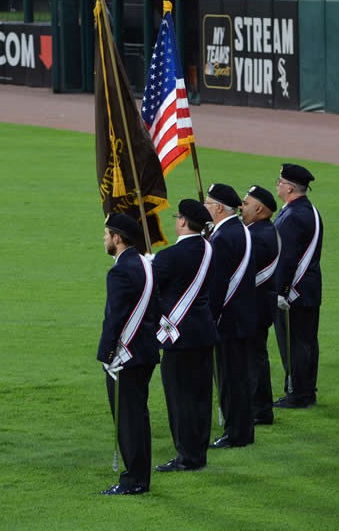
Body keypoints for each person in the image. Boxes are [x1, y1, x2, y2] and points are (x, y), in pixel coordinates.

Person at [97, 214, 160, 496]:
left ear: (118, 238)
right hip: (145, 352)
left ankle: (133, 480)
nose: (104, 239)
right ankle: (139, 477)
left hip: (127, 357)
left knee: (128, 420)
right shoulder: (146, 264)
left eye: (107, 234)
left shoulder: (121, 271)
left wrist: (106, 354)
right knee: (139, 416)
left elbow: (115, 318)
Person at [153, 200, 217, 473]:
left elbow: (150, 289)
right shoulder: (209, 250)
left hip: (178, 338)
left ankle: (186, 457)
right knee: (201, 397)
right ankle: (198, 453)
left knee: (180, 400)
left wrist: (147, 264)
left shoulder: (169, 257)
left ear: (182, 222)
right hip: (203, 333)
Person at [205, 184, 256, 450]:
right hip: (244, 316)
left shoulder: (223, 237)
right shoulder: (242, 231)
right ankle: (243, 429)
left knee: (229, 378)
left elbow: (218, 283)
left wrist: (210, 318)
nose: (205, 207)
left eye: (208, 203)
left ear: (218, 208)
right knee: (240, 377)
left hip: (228, 320)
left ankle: (235, 433)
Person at [272, 163, 324, 409]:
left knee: (294, 344)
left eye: (280, 182)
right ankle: (306, 389)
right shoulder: (309, 210)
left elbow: (286, 259)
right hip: (309, 289)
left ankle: (297, 394)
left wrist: (280, 291)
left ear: (290, 188)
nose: (277, 185)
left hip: (294, 292)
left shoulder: (292, 216)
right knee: (307, 342)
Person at [241, 185, 280, 426]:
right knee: (253, 357)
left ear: (258, 208)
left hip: (254, 307)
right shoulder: (261, 231)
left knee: (253, 358)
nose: (241, 208)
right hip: (258, 305)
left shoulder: (259, 236)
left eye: (245, 204)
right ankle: (257, 406)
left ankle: (260, 410)